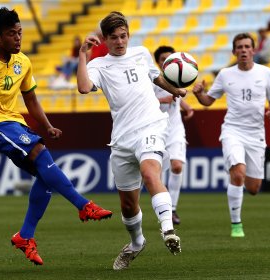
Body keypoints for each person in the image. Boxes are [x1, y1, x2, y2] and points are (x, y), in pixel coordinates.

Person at [0, 7, 112, 266]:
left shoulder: (23, 62)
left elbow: (31, 99)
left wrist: (47, 125)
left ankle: (25, 236)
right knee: (41, 154)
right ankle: (83, 205)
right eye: (11, 34)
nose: (18, 38)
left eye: (20, 33)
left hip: (15, 123)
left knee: (45, 175)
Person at [77, 11, 187, 270]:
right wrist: (83, 56)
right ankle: (137, 243)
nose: (120, 41)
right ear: (105, 39)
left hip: (151, 125)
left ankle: (168, 229)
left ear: (129, 34)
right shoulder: (98, 65)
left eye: (123, 36)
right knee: (128, 205)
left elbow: (155, 77)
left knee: (151, 173)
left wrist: (176, 90)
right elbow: (83, 88)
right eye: (114, 37)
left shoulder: (141, 53)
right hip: (122, 138)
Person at [192, 33, 270, 238]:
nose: (243, 50)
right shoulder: (225, 74)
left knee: (254, 187)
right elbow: (208, 101)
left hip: (256, 134)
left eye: (247, 46)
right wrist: (198, 93)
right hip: (233, 130)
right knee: (238, 173)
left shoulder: (265, 72)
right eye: (239, 47)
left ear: (253, 50)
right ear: (234, 52)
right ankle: (236, 224)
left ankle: (238, 184)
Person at [153, 45, 194, 225]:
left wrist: (188, 108)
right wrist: (164, 99)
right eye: (163, 59)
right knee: (157, 173)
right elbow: (143, 101)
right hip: (156, 129)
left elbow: (179, 98)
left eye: (169, 58)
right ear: (158, 62)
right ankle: (162, 208)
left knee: (177, 166)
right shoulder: (152, 79)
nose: (166, 62)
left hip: (175, 129)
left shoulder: (178, 78)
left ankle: (173, 209)